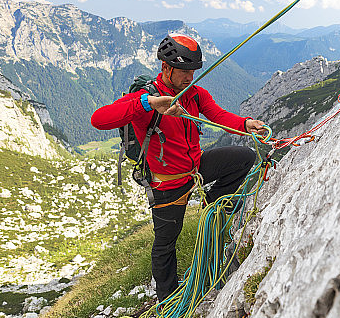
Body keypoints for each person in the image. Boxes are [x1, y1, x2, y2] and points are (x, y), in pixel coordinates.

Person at [91, 34, 267, 302]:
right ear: (166, 68)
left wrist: (245, 124)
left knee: (242, 158)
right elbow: (98, 119)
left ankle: (215, 207)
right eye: (184, 72)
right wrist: (148, 104)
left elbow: (218, 115)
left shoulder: (194, 94)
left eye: (193, 72)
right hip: (167, 184)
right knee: (165, 244)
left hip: (194, 169)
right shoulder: (146, 98)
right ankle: (167, 300)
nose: (189, 78)